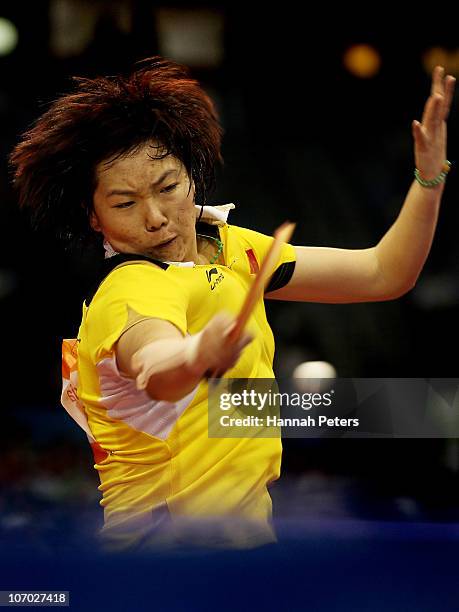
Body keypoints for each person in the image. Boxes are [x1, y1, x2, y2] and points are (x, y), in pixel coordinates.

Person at [9, 57, 455, 551]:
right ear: (93, 218)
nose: (155, 217)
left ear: (193, 180)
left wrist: (428, 179)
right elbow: (156, 366)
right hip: (161, 563)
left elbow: (383, 274)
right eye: (124, 203)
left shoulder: (227, 248)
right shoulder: (132, 288)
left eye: (167, 188)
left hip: (240, 551)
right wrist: (197, 355)